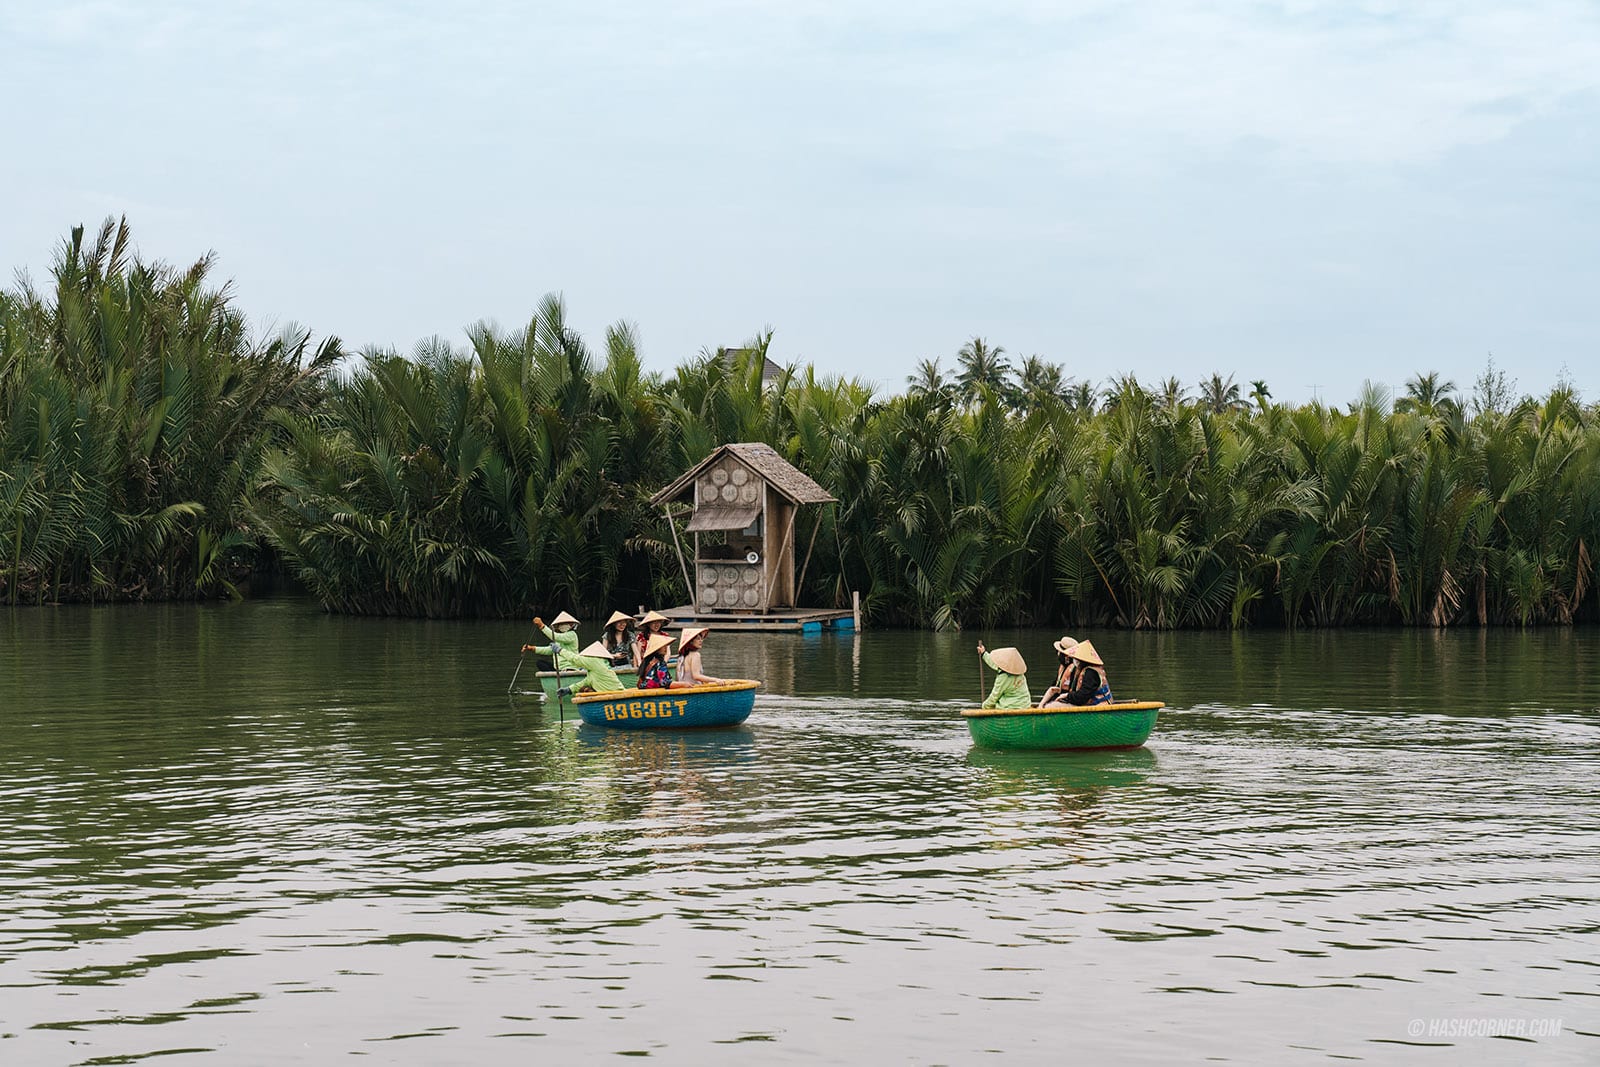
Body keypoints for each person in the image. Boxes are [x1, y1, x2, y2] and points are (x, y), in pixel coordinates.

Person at [552, 641, 624, 694]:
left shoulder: (594, 661)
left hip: (613, 694)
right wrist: (569, 689)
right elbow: (585, 682)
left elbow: (575, 659)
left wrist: (560, 651)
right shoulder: (599, 666)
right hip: (617, 692)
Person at [976, 642, 1031, 709]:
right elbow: (995, 664)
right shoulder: (1020, 673)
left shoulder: (1003, 678)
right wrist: (984, 653)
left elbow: (994, 696)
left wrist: (984, 706)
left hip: (1010, 707)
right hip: (1025, 705)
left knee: (995, 704)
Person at [1058, 640, 1113, 706]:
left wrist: (1067, 696)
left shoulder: (1091, 673)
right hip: (1088, 705)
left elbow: (1082, 697)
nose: (1074, 659)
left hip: (1099, 707)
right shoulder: (1082, 670)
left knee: (1053, 706)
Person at [1037, 635, 1079, 706]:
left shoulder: (1075, 669)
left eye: (1059, 652)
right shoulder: (1064, 668)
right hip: (1060, 700)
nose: (1058, 654)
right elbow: (1053, 687)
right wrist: (1041, 704)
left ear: (1066, 656)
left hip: (1069, 702)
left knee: (1049, 706)